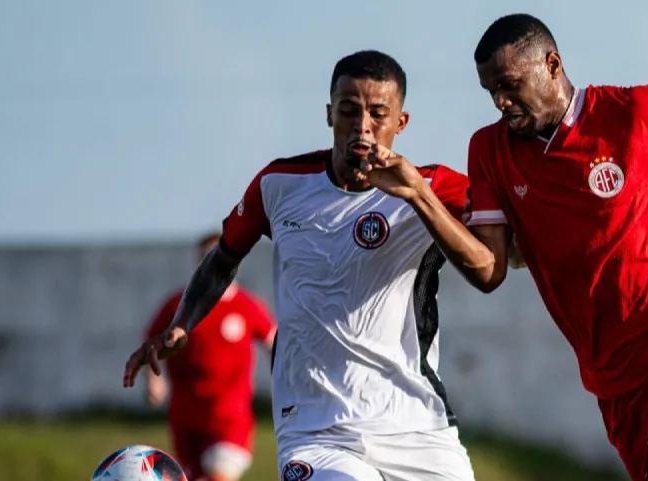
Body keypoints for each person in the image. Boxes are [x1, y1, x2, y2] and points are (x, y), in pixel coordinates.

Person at [356, 13, 648, 481]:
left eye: (510, 85)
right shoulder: (490, 151)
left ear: (553, 65)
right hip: (614, 383)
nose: (500, 101)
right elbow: (489, 271)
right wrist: (418, 193)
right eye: (490, 91)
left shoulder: (633, 113)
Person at [123, 50, 478, 481]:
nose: (362, 126)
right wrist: (181, 325)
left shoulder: (435, 186)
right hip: (315, 428)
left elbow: (496, 260)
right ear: (329, 114)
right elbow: (222, 261)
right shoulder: (279, 185)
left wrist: (419, 196)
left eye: (378, 114)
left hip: (416, 426)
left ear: (400, 122)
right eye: (348, 110)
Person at [142, 232, 277, 481]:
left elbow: (273, 340)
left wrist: (287, 378)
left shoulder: (246, 306)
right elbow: (152, 343)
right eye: (208, 258)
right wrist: (153, 379)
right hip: (186, 417)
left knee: (219, 476)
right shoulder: (178, 307)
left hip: (230, 418)